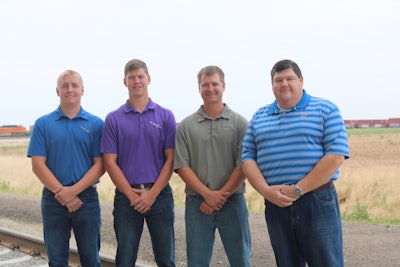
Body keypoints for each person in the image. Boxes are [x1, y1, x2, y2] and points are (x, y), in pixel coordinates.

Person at [242, 59, 350, 267]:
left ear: (300, 80)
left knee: (326, 262)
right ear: (272, 84)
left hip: (317, 201)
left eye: (289, 78)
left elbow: (336, 156)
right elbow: (247, 157)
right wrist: (266, 191)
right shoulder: (259, 116)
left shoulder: (326, 109)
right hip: (276, 203)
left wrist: (298, 189)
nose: (284, 84)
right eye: (278, 80)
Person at [101, 59, 176, 267]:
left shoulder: (165, 116)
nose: (136, 81)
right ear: (124, 82)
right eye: (131, 77)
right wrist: (131, 194)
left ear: (148, 79)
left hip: (160, 196)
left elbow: (171, 159)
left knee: (166, 260)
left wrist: (152, 194)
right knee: (125, 259)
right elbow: (109, 162)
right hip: (127, 199)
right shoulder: (113, 119)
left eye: (140, 76)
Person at [174, 65, 251, 267]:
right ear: (198, 88)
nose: (210, 89)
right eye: (205, 84)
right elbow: (182, 165)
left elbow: (243, 165)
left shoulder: (240, 123)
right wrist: (207, 195)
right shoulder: (187, 125)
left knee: (241, 261)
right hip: (197, 204)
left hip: (232, 202)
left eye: (215, 84)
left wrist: (219, 196)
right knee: (197, 262)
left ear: (223, 86)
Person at [27, 70, 104, 267]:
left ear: (82, 90)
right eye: (65, 85)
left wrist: (73, 192)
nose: (70, 89)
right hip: (53, 200)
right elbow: (37, 165)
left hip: (87, 200)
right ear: (57, 91)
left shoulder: (96, 124)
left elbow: (100, 165)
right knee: (57, 261)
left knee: (91, 261)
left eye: (74, 85)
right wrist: (62, 193)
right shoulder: (43, 124)